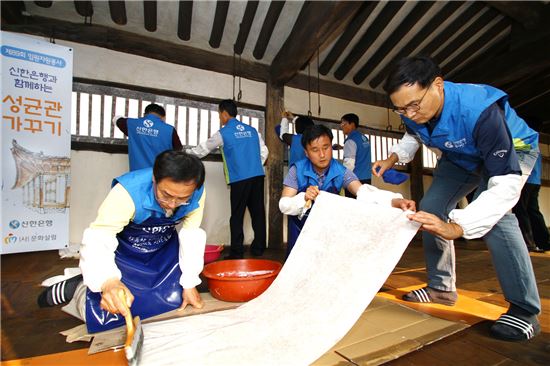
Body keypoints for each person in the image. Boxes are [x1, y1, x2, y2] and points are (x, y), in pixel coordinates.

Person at [373, 56, 541, 341]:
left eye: (414, 105)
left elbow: (504, 186)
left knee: (498, 218)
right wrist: (393, 157)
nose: (409, 113)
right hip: (462, 156)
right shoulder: (410, 110)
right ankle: (441, 287)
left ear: (438, 85)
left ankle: (525, 310)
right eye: (401, 108)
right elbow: (413, 134)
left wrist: (459, 227)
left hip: (512, 149)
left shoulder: (480, 111)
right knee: (430, 209)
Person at [37, 151, 207, 333]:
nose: (172, 204)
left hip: (162, 253)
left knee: (173, 301)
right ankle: (78, 287)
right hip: (125, 253)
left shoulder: (196, 193)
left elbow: (191, 236)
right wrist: (108, 281)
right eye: (165, 195)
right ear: (154, 180)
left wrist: (189, 282)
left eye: (182, 199)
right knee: (110, 313)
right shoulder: (128, 192)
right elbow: (100, 236)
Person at [279, 124, 415, 257]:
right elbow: (284, 204)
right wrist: (303, 197)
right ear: (306, 153)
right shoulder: (296, 170)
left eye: (326, 148)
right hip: (300, 231)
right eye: (315, 150)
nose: (322, 154)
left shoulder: (341, 172)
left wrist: (395, 201)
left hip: (328, 230)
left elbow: (364, 192)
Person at [187, 99, 268, 259]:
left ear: (224, 113)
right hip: (257, 176)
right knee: (258, 212)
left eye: (219, 115)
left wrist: (186, 153)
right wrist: (254, 165)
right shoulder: (252, 130)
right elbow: (264, 151)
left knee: (237, 215)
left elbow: (203, 149)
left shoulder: (223, 133)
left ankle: (237, 252)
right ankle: (259, 249)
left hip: (239, 178)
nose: (220, 118)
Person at [114, 103, 183, 171]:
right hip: (160, 175)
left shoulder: (131, 124)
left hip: (138, 175)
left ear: (144, 114)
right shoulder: (170, 130)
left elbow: (116, 119)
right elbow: (179, 149)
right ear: (163, 117)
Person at [513, 154, 549, 252]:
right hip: (535, 181)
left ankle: (528, 243)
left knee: (520, 210)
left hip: (525, 180)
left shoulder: (522, 144)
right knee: (533, 211)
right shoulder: (534, 147)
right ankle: (544, 242)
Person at [340, 113, 372, 197]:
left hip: (354, 181)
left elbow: (349, 164)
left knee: (353, 207)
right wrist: (342, 147)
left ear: (352, 124)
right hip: (367, 178)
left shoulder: (350, 140)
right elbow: (359, 152)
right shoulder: (363, 138)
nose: (341, 126)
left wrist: (342, 179)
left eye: (344, 123)